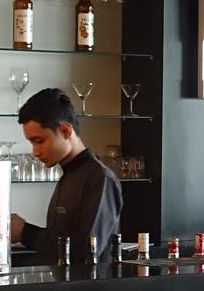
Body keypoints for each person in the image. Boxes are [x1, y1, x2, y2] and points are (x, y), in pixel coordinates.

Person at [10, 87, 122, 264]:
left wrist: (25, 232)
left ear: (65, 131)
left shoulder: (99, 178)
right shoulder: (69, 175)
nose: (35, 152)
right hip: (64, 288)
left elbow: (86, 251)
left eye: (39, 141)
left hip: (88, 289)